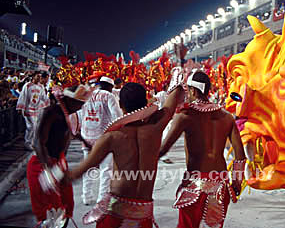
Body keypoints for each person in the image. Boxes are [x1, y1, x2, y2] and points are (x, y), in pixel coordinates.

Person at [39, 79, 185, 228]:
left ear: (121, 105)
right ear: (145, 102)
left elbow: (79, 171)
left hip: (116, 212)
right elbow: (172, 99)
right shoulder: (156, 128)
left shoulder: (111, 137)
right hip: (144, 212)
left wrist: (51, 176)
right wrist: (180, 75)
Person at [159, 71, 246, 228]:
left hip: (195, 185)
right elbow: (240, 154)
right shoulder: (227, 117)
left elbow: (163, 149)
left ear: (192, 91)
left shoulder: (185, 115)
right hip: (221, 183)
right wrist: (237, 182)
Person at [28, 85, 87, 225]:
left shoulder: (65, 113)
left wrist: (88, 142)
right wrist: (49, 170)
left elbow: (69, 132)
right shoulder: (50, 112)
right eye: (79, 103)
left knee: (66, 204)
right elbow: (38, 143)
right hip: (43, 164)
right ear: (68, 99)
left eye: (82, 103)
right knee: (51, 212)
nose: (80, 106)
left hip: (58, 163)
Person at [76, 76, 122, 205]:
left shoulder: (87, 95)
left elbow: (79, 115)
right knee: (106, 170)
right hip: (103, 138)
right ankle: (102, 199)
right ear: (110, 87)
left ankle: (86, 196)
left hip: (87, 137)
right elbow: (117, 117)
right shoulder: (108, 96)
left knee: (88, 168)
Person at [16, 72, 50, 149]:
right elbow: (22, 97)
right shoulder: (27, 86)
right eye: (37, 76)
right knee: (31, 126)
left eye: (40, 77)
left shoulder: (40, 86)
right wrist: (21, 108)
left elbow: (43, 97)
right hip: (28, 109)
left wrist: (48, 104)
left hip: (36, 110)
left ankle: (32, 142)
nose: (39, 78)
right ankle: (27, 142)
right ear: (33, 77)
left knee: (35, 127)